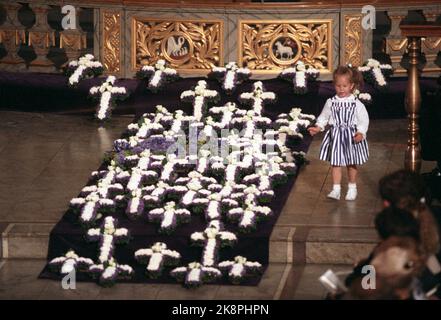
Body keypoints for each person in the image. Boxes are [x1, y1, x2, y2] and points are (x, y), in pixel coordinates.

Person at [308, 66, 369, 201]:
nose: (341, 89)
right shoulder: (331, 102)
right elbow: (324, 117)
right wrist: (318, 127)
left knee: (351, 162)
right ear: (334, 85)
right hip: (336, 136)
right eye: (338, 86)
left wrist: (360, 132)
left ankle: (352, 187)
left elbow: (363, 120)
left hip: (351, 137)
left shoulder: (356, 103)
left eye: (344, 86)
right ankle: (336, 189)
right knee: (335, 162)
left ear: (351, 85)